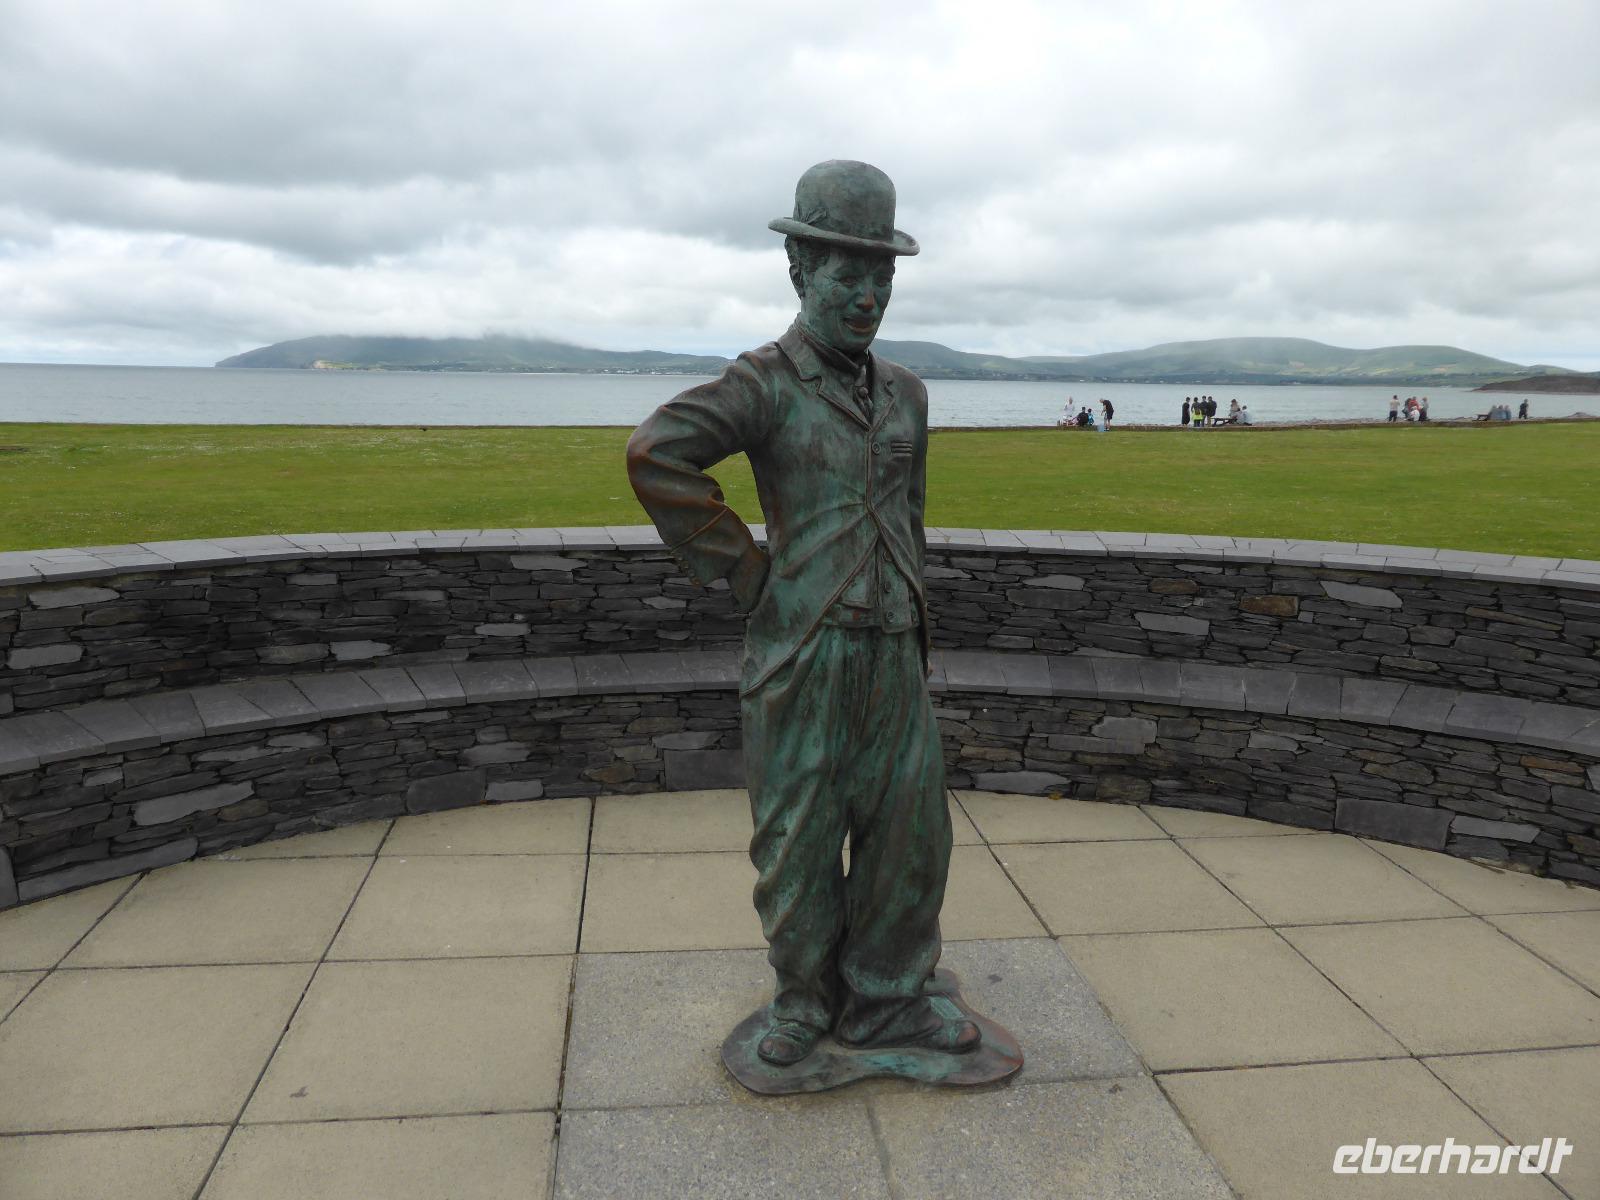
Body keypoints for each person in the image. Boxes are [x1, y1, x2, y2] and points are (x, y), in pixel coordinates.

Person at [628, 160, 978, 1067]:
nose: (868, 297)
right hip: (805, 653)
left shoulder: (908, 393)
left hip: (895, 648)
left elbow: (909, 513)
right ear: (800, 275)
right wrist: (746, 574)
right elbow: (658, 454)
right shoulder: (765, 381)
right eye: (847, 277)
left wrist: (910, 599)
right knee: (799, 840)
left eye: (881, 279)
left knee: (912, 836)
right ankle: (802, 1000)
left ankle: (890, 999)